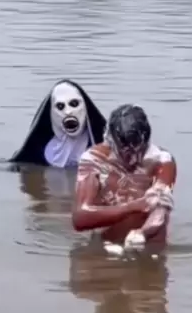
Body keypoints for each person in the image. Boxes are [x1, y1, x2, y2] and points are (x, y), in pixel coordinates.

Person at [72, 104, 176, 248]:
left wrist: (143, 234)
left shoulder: (162, 161)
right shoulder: (94, 160)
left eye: (140, 151)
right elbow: (80, 218)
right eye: (126, 153)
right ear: (111, 142)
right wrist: (132, 207)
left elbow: (161, 210)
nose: (133, 159)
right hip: (108, 246)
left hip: (149, 244)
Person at [10, 79, 106, 168]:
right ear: (52, 113)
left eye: (74, 104)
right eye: (60, 106)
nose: (68, 112)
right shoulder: (37, 154)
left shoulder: (107, 148)